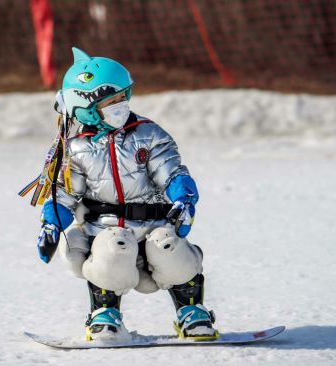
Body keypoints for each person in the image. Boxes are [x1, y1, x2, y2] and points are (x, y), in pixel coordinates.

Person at [36, 47, 218, 341]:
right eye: (112, 100)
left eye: (123, 96)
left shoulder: (147, 133)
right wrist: (51, 223)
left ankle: (191, 311)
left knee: (169, 246)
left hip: (153, 227)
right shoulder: (75, 149)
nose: (121, 104)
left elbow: (171, 170)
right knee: (112, 247)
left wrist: (184, 199)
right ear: (85, 106)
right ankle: (104, 315)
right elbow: (64, 193)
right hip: (107, 230)